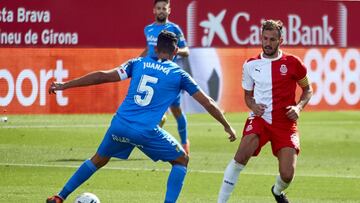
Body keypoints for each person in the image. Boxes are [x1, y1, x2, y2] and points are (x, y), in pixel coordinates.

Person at [46, 30, 237, 203]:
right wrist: (226, 125)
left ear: (154, 48)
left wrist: (65, 85)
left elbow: (102, 76)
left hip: (119, 125)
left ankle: (60, 196)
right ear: (176, 51)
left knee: (98, 160)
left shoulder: (137, 63)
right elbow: (207, 102)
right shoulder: (179, 74)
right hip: (145, 131)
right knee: (181, 160)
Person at [217, 20, 313, 203]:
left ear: (281, 40)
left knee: (287, 174)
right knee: (240, 157)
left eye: (272, 39)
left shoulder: (293, 63)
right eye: (265, 38)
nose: (268, 43)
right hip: (260, 119)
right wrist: (253, 106)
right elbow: (248, 97)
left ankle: (277, 192)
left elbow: (308, 90)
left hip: (285, 122)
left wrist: (298, 107)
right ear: (261, 38)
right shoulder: (250, 64)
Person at [140, 0, 191, 154]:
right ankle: (152, 134)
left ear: (169, 11)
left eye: (164, 8)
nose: (161, 11)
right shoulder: (148, 29)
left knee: (176, 110)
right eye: (159, 8)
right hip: (151, 74)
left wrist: (176, 50)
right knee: (149, 107)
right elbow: (148, 50)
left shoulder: (174, 29)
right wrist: (137, 61)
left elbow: (186, 51)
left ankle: (184, 143)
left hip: (168, 75)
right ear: (154, 10)